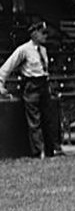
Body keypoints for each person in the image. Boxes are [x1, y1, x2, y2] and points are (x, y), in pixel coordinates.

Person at [0, 21, 61, 158]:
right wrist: (1, 83)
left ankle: (52, 149)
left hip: (44, 85)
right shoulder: (23, 50)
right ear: (34, 33)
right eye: (42, 33)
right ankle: (39, 151)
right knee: (35, 120)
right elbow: (7, 67)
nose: (45, 36)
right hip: (31, 86)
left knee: (48, 119)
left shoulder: (43, 50)